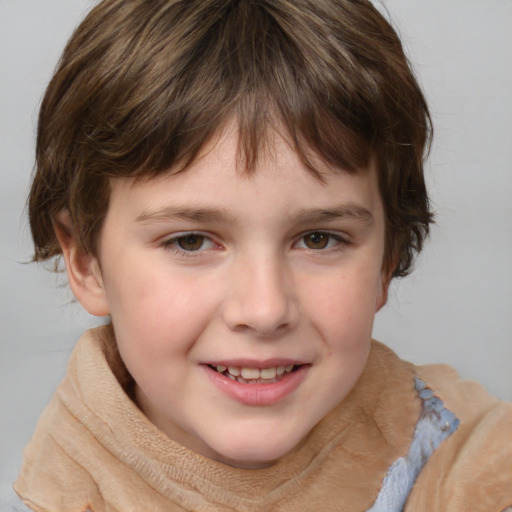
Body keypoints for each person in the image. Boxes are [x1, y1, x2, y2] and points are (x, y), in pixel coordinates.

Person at [14, 0, 512, 510]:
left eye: (318, 239)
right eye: (190, 241)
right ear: (85, 261)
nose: (264, 309)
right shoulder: (62, 489)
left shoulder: (477, 463)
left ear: (388, 261)